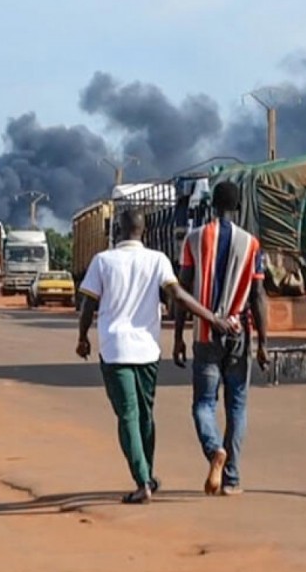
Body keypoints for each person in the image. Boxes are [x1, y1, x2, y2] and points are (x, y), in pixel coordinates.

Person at [76, 207, 225, 505]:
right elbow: (178, 295)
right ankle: (148, 475)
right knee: (145, 415)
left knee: (128, 416)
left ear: (118, 230)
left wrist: (82, 337)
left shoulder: (102, 261)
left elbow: (88, 305)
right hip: (147, 350)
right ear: (143, 231)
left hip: (115, 348)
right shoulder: (157, 260)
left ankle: (143, 480)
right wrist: (212, 318)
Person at [174, 181, 270, 497]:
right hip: (239, 332)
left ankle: (215, 449)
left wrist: (177, 337)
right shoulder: (251, 244)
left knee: (203, 403)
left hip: (205, 333)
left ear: (211, 206)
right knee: (237, 406)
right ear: (238, 207)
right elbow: (258, 295)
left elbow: (183, 292)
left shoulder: (194, 238)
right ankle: (231, 479)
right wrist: (263, 343)